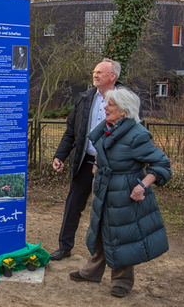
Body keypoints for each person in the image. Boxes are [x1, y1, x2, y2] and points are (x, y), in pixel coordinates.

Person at [69, 88, 171, 298]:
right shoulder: (108, 128)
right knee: (99, 229)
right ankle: (92, 271)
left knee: (123, 235)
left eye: (111, 105)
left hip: (125, 191)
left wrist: (142, 186)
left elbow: (162, 164)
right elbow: (104, 150)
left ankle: (122, 281)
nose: (105, 108)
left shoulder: (137, 135)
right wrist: (97, 164)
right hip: (105, 188)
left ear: (124, 111)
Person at [50, 58, 127, 261]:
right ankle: (65, 247)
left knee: (110, 211)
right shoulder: (85, 98)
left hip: (110, 166)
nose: (95, 75)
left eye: (100, 72)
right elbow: (70, 132)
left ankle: (111, 255)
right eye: (94, 71)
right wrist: (60, 155)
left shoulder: (125, 99)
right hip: (85, 161)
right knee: (73, 205)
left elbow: (135, 132)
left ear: (113, 76)